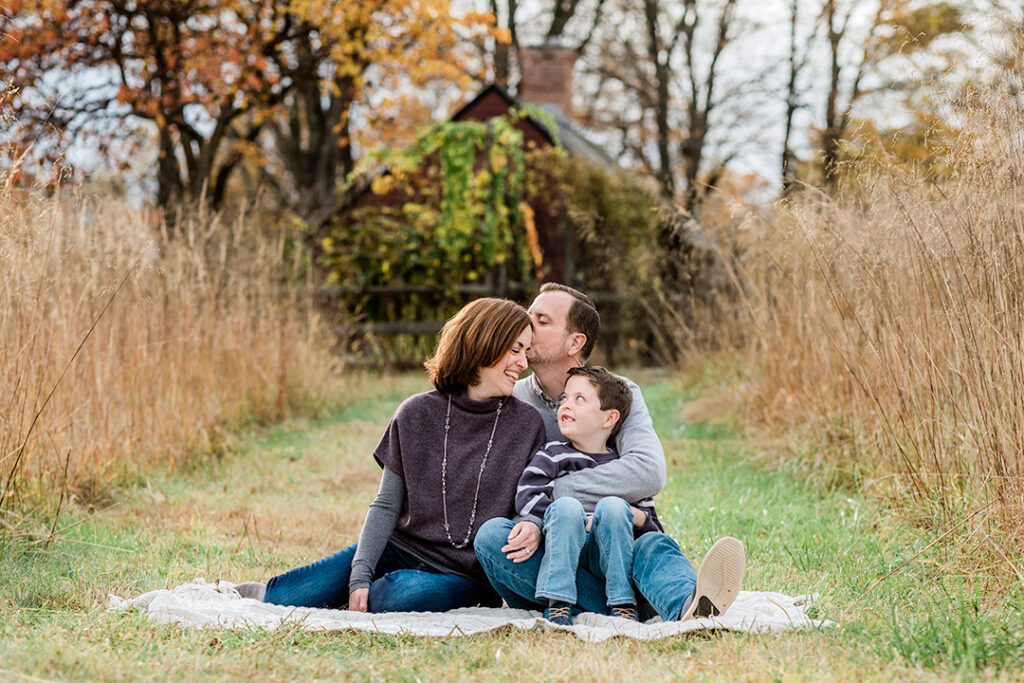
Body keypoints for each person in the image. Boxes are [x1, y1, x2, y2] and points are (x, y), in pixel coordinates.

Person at [236, 298, 547, 612]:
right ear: (485, 342)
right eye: (516, 349)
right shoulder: (416, 413)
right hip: (399, 548)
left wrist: (529, 523)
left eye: (527, 352)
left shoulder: (526, 423)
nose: (523, 363)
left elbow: (529, 502)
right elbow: (386, 503)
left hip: (466, 573)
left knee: (394, 597)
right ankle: (305, 592)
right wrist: (360, 576)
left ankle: (385, 591)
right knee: (285, 599)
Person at [475, 283, 746, 622]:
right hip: (552, 543)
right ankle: (633, 605)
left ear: (575, 342)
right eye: (529, 316)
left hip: (615, 539)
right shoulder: (511, 398)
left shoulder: (617, 394)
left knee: (651, 545)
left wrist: (562, 494)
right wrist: (547, 517)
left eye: (541, 321)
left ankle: (689, 605)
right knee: (492, 539)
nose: (526, 327)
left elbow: (647, 471)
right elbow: (508, 491)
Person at [516, 366, 665, 625]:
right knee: (564, 509)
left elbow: (647, 519)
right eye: (564, 398)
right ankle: (558, 602)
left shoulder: (622, 464)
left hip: (605, 553)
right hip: (564, 545)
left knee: (615, 508)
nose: (565, 406)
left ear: (609, 419)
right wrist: (549, 517)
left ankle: (623, 602)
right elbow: (527, 494)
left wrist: (611, 515)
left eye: (579, 399)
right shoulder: (553, 454)